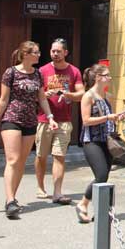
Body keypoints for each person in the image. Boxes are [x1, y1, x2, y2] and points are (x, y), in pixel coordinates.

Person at [0, 42, 58, 219]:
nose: (39, 55)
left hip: (30, 120)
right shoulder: (11, 72)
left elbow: (42, 98)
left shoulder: (38, 74)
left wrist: (50, 117)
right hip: (11, 118)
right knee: (12, 159)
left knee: (21, 161)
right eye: (36, 52)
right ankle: (10, 200)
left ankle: (12, 197)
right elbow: (3, 100)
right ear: (25, 54)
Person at [35, 38, 84, 204]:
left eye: (58, 51)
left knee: (59, 156)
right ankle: (41, 187)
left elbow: (81, 94)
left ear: (65, 52)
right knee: (41, 156)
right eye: (52, 51)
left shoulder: (74, 71)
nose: (55, 54)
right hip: (44, 119)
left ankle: (57, 192)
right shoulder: (42, 71)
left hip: (64, 121)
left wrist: (68, 94)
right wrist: (44, 95)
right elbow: (34, 94)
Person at [75, 64, 125, 223]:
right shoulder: (88, 96)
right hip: (92, 141)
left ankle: (101, 211)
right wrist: (107, 118)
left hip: (107, 140)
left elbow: (108, 116)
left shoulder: (107, 96)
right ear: (98, 77)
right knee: (101, 174)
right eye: (107, 75)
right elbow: (86, 120)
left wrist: (116, 117)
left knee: (104, 177)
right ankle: (83, 203)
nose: (110, 78)